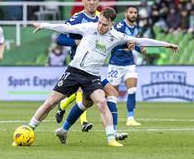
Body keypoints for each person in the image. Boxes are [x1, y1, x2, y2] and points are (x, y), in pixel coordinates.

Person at [25, 8, 178, 147]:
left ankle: (111, 138)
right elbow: (66, 28)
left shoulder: (117, 36)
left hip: (92, 76)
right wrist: (43, 25)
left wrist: (165, 44)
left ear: (111, 24)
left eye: (104, 24)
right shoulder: (89, 28)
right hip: (74, 71)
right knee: (51, 102)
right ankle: (29, 128)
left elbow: (140, 41)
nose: (100, 26)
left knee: (101, 102)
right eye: (100, 22)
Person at [55, 0, 100, 132]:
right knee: (83, 92)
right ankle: (84, 122)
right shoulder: (77, 19)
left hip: (94, 63)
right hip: (78, 63)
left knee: (85, 95)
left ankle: (62, 105)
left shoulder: (102, 18)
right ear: (83, 1)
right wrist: (76, 42)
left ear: (98, 1)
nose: (92, 2)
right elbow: (59, 38)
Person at [106, 6, 145, 131]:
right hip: (115, 65)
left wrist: (140, 48)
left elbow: (133, 44)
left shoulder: (135, 28)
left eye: (135, 12)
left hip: (129, 64)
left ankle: (131, 118)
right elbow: (112, 46)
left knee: (132, 89)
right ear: (126, 14)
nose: (133, 14)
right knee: (112, 95)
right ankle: (111, 120)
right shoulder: (119, 27)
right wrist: (125, 48)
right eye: (131, 12)